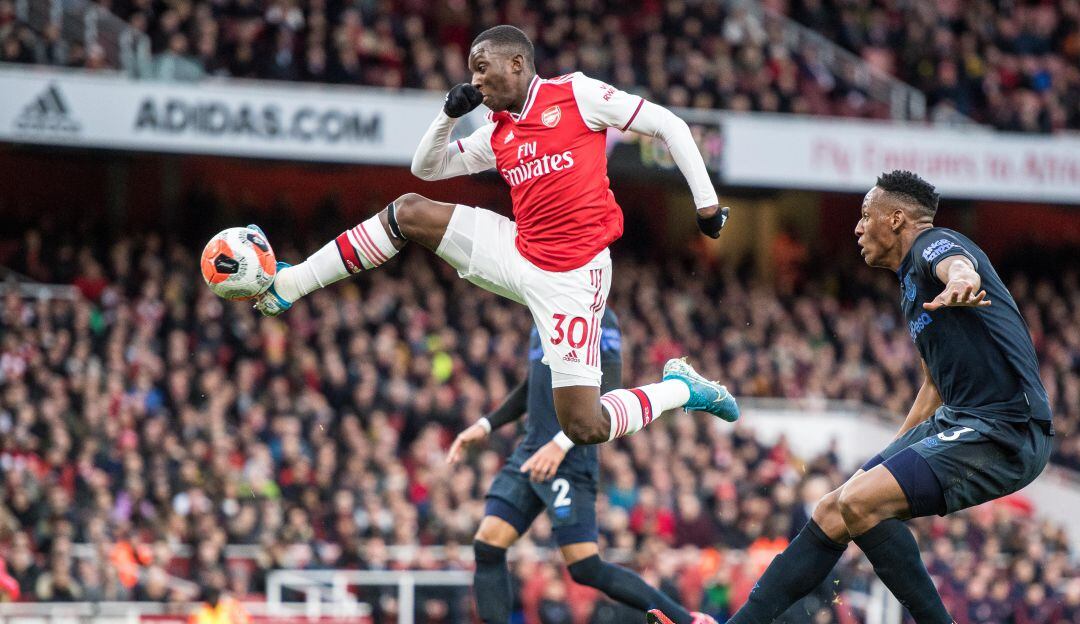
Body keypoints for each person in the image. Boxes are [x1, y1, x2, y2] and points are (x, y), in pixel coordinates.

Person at [249, 24, 738, 449]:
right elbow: (426, 168)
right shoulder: (497, 132)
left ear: (518, 63)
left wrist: (706, 206)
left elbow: (670, 125)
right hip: (516, 250)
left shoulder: (577, 95)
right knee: (409, 212)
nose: (475, 79)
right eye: (472, 70)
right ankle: (289, 287)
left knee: (583, 425)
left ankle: (680, 389)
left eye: (482, 68)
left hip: (573, 278)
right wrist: (446, 115)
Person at [691, 170, 1052, 624]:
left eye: (866, 216)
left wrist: (961, 279)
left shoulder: (930, 246)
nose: (857, 228)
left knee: (859, 502)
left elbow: (957, 263)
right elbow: (934, 387)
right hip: (961, 418)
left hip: (1006, 428)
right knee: (832, 508)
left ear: (897, 218)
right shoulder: (909, 287)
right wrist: (888, 456)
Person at [447, 310, 715, 624]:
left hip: (572, 455)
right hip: (532, 450)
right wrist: (486, 424)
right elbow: (532, 383)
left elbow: (611, 395)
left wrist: (561, 444)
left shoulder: (600, 318)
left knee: (584, 566)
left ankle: (688, 621)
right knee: (487, 544)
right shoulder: (542, 312)